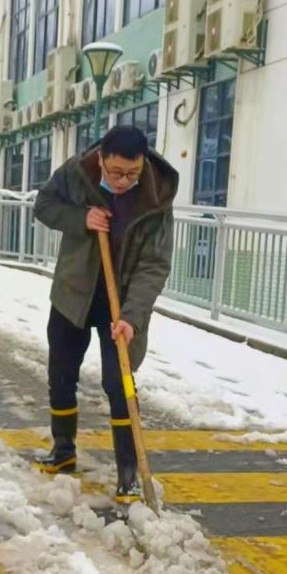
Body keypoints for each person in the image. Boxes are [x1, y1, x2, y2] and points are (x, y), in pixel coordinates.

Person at [32, 124, 178, 504]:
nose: (124, 180)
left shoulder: (156, 197)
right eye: (115, 172)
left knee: (121, 384)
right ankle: (63, 450)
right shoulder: (78, 172)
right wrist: (81, 219)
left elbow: (155, 265)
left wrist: (132, 316)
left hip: (123, 305)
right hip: (74, 294)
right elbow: (44, 205)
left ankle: (128, 474)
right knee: (61, 372)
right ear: (101, 159)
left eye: (132, 172)